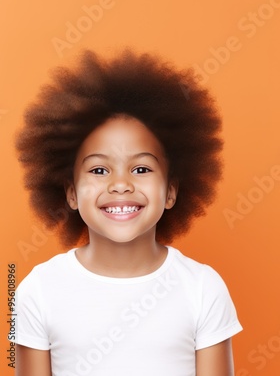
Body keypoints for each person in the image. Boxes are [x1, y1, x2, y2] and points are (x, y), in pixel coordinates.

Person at [13, 48, 242, 376]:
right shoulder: (38, 290)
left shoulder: (203, 288)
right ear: (71, 193)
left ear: (171, 191)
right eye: (99, 171)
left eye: (142, 169)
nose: (120, 185)